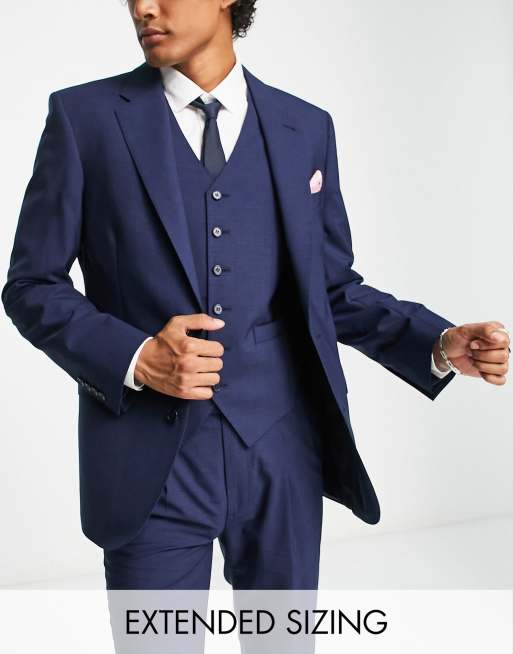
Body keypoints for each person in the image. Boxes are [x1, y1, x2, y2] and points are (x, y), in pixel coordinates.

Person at [2, 0, 509, 593]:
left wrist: (437, 343)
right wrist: (137, 358)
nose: (143, 8)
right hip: (149, 462)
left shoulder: (305, 128)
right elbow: (32, 285)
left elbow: (329, 287)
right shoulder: (84, 118)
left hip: (283, 452)